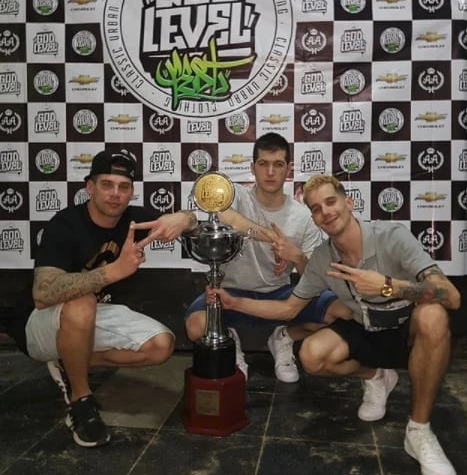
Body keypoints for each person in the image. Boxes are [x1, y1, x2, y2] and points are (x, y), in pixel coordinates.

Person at [212, 174, 460, 475]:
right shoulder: (322, 258)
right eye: (316, 209)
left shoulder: (392, 236)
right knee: (311, 356)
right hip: (365, 328)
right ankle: (376, 376)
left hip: (406, 332)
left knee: (433, 316)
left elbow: (451, 296)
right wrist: (234, 303)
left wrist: (388, 286)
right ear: (314, 218)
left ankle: (419, 431)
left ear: (349, 202)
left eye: (331, 202)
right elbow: (288, 309)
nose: (326, 212)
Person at [6, 149, 199, 448]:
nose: (115, 194)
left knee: (161, 346)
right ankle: (80, 400)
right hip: (39, 323)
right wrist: (114, 271)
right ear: (90, 187)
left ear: (131, 192)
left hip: (89, 316)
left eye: (123, 187)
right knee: (83, 300)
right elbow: (42, 294)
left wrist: (183, 218)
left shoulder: (133, 219)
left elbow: (191, 221)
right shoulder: (65, 224)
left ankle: (68, 363)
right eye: (106, 184)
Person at [183, 133, 351, 383]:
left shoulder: (303, 216)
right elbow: (226, 216)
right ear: (253, 168)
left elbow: (312, 278)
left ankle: (284, 338)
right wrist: (271, 238)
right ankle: (229, 342)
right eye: (263, 164)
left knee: (343, 312)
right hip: (230, 292)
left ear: (289, 169)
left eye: (278, 164)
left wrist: (296, 256)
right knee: (195, 326)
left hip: (279, 296)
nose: (270, 172)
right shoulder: (238, 196)